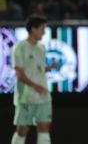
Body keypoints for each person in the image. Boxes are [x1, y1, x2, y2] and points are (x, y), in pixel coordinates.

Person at [11, 15, 56, 144]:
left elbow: (38, 68)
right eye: (42, 28)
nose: (44, 32)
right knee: (22, 130)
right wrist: (36, 86)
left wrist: (49, 68)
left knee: (44, 128)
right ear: (33, 29)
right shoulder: (19, 47)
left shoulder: (42, 48)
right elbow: (19, 73)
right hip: (26, 97)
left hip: (43, 96)